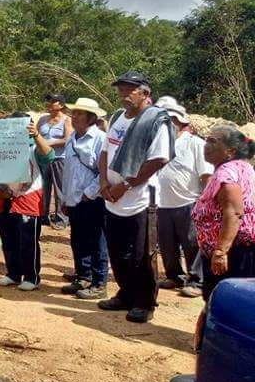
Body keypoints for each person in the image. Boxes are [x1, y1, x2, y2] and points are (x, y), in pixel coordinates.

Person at [98, 71, 174, 323]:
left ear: (145, 93)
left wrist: (125, 185)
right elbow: (105, 152)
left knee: (142, 253)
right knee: (117, 251)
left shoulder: (155, 121)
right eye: (120, 89)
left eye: (129, 89)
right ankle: (125, 294)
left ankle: (144, 302)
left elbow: (157, 160)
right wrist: (104, 182)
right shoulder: (118, 117)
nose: (123, 94)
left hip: (140, 198)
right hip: (112, 197)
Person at [154, 96, 212, 298]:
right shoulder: (158, 144)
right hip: (162, 203)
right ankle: (174, 276)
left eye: (169, 120)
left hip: (189, 202)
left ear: (178, 121)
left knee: (192, 243)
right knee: (167, 243)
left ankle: (197, 280)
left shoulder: (195, 143)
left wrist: (204, 203)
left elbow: (206, 174)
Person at [191, 125, 255, 301]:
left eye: (213, 141)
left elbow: (234, 212)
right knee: (239, 300)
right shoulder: (244, 167)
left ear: (230, 150)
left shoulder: (226, 173)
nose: (206, 145)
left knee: (222, 301)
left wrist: (220, 251)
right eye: (206, 140)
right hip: (242, 250)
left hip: (231, 253)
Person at [0, 115, 56, 291]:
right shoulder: (1, 146)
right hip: (4, 198)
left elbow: (49, 155)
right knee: (8, 238)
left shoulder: (33, 148)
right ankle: (13, 274)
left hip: (28, 198)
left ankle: (32, 276)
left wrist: (36, 135)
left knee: (28, 240)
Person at [59, 98, 110, 299]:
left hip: (92, 199)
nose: (75, 116)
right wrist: (65, 198)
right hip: (74, 199)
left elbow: (104, 172)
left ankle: (99, 283)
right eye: (75, 112)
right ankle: (83, 276)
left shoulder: (100, 139)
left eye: (80, 113)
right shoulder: (72, 139)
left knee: (97, 241)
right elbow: (68, 171)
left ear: (91, 118)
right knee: (78, 240)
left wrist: (88, 193)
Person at [38, 93, 74, 229]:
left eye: (53, 101)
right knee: (43, 188)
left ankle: (61, 219)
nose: (49, 104)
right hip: (43, 159)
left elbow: (67, 139)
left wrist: (48, 144)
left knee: (60, 189)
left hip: (59, 158)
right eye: (48, 101)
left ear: (61, 105)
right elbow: (36, 136)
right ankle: (43, 216)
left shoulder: (67, 120)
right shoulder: (42, 120)